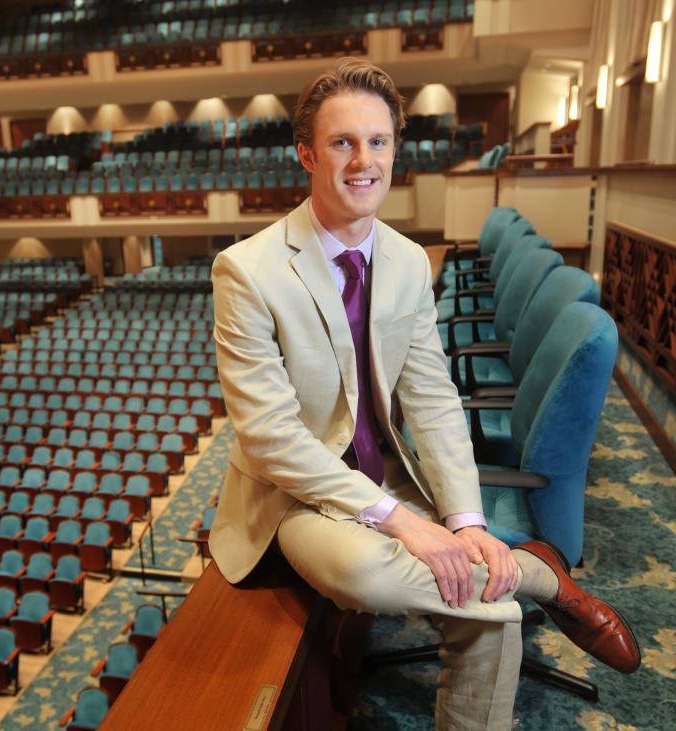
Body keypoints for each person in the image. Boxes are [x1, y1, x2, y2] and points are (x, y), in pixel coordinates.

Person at [208, 58, 639, 729]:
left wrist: (463, 521)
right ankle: (541, 580)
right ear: (306, 154)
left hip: (388, 471)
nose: (363, 160)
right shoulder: (247, 270)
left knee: (483, 616)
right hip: (299, 491)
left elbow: (433, 400)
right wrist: (407, 522)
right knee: (370, 574)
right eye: (342, 142)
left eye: (378, 141)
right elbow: (270, 437)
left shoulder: (408, 259)